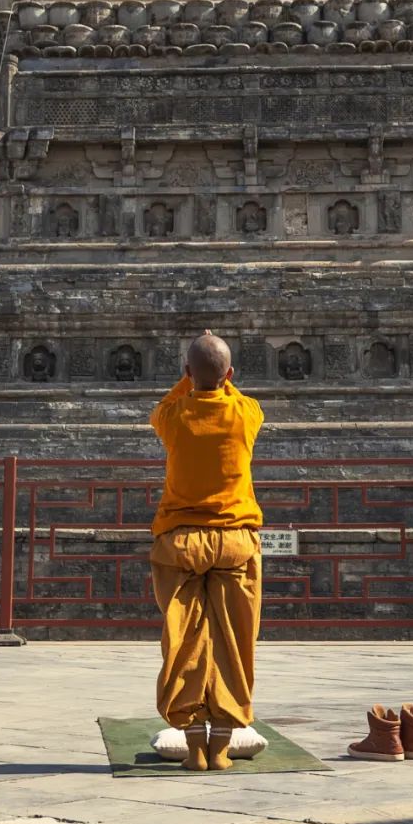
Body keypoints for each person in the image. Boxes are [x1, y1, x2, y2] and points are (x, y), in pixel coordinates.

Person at [150, 330, 264, 771]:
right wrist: (218, 376)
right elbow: (227, 386)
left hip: (180, 543)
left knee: (186, 642)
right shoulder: (247, 413)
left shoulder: (173, 417)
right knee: (233, 643)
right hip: (235, 540)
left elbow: (165, 403)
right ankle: (221, 747)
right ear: (230, 374)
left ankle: (194, 745)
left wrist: (190, 379)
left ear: (186, 373)